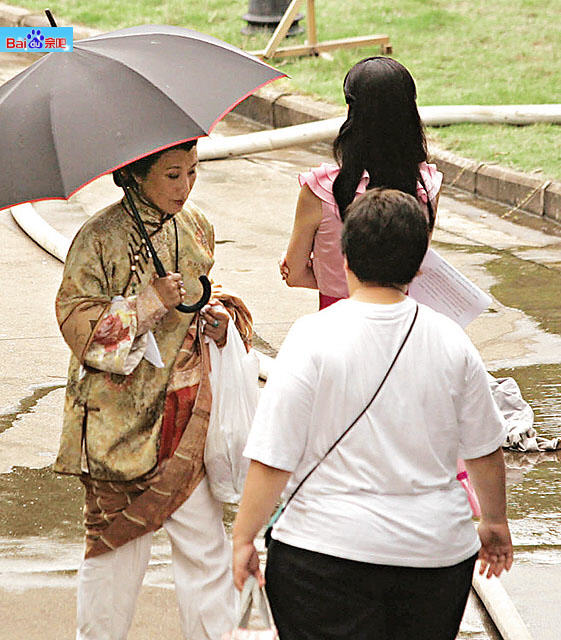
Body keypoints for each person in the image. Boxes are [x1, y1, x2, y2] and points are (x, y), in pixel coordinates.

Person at [232, 189, 513, 640]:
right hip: (434, 558)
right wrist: (495, 523)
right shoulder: (451, 341)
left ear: (345, 259)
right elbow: (484, 450)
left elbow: (273, 456)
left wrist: (244, 536)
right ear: (420, 266)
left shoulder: (311, 337)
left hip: (322, 555)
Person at [54, 140, 247, 640]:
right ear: (135, 175)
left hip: (186, 417)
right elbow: (77, 325)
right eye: (172, 175)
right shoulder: (97, 239)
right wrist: (144, 306)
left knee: (205, 551)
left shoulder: (198, 227)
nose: (185, 188)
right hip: (119, 424)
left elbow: (204, 297)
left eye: (192, 173)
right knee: (114, 553)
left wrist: (219, 322)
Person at [280, 56, 442, 309]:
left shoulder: (321, 190)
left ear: (351, 113)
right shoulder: (427, 186)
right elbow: (414, 265)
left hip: (336, 324)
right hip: (403, 322)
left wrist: (323, 270)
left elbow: (295, 274)